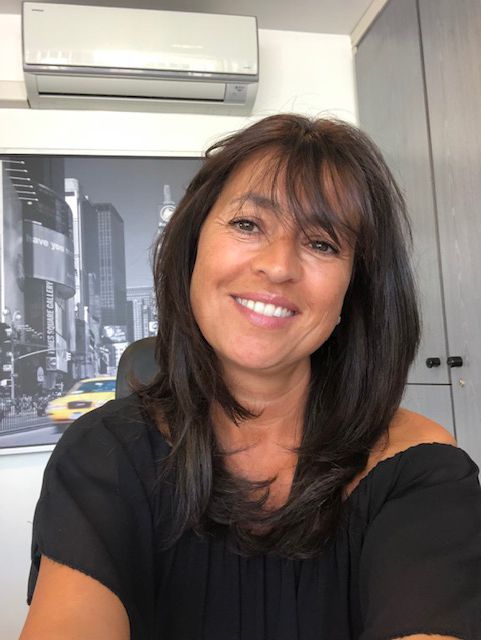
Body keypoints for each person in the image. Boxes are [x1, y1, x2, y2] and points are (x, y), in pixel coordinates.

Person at [20, 114, 481, 640]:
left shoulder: (417, 468)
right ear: (193, 248)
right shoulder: (100, 455)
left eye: (322, 243)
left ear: (354, 290)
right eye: (248, 224)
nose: (278, 266)